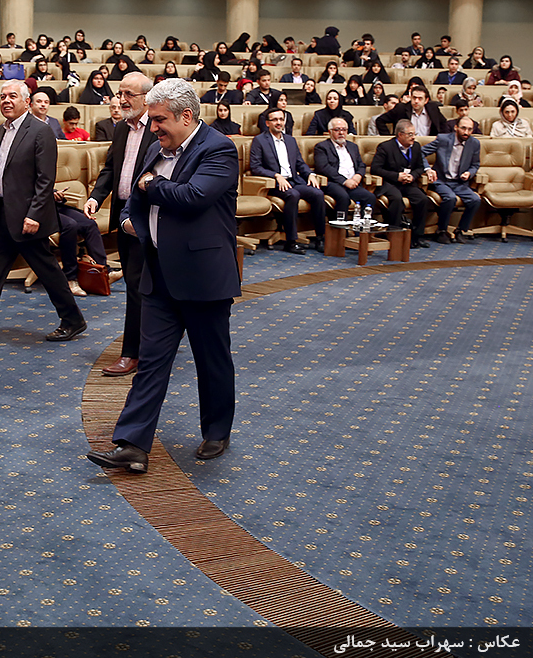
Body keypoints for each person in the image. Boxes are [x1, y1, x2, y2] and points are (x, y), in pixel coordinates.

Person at [85, 77, 240, 473]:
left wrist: (154, 184)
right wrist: (128, 223)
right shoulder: (156, 148)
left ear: (186, 116)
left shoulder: (218, 149)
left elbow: (193, 197)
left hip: (203, 278)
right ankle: (132, 445)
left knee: (212, 361)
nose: (152, 127)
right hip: (157, 274)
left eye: (159, 120)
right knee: (152, 362)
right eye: (152, 120)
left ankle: (217, 431)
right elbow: (131, 199)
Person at [0, 80, 86, 342]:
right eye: (2, 97)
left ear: (26, 101)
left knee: (48, 271)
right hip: (3, 213)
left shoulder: (40, 131)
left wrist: (34, 214)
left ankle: (73, 320)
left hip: (27, 217)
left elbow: (45, 179)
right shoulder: (2, 130)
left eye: (12, 96)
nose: (6, 101)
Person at [85, 73, 156, 376]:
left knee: (138, 286)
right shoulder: (121, 128)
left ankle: (132, 353)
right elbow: (111, 168)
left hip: (148, 217)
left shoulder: (158, 127)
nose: (122, 100)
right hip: (123, 216)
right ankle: (157, 340)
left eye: (129, 94)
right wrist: (96, 197)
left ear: (146, 98)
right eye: (120, 93)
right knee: (135, 283)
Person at [251, 107, 326, 253]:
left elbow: (300, 163)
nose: (279, 122)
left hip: (294, 180)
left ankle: (320, 238)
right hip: (275, 184)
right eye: (275, 120)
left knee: (318, 194)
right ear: (267, 123)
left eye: (281, 119)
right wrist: (276, 175)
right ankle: (291, 241)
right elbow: (256, 167)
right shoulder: (259, 140)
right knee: (293, 195)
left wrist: (310, 174)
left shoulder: (290, 140)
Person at [420, 117, 480, 244]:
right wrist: (428, 169)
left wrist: (469, 173)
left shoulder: (474, 143)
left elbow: (475, 165)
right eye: (463, 128)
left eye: (470, 129)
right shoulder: (443, 139)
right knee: (450, 198)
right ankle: (441, 231)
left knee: (475, 200)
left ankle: (460, 230)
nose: (466, 132)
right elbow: (420, 153)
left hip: (459, 182)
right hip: (441, 180)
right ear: (456, 128)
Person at [371, 120, 430, 248]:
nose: (413, 137)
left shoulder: (416, 146)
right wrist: (396, 176)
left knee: (422, 199)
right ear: (400, 135)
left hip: (408, 183)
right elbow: (375, 169)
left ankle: (417, 236)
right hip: (390, 183)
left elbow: (420, 167)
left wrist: (412, 176)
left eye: (414, 134)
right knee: (397, 199)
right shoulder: (385, 147)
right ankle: (394, 234)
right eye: (410, 134)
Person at [314, 117, 377, 220]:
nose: (341, 133)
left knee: (369, 197)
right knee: (343, 197)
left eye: (344, 130)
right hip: (333, 183)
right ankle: (340, 228)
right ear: (330, 132)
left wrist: (358, 176)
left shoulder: (353, 146)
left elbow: (361, 165)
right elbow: (323, 168)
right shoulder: (322, 147)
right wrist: (344, 181)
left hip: (353, 183)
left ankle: (361, 228)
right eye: (337, 130)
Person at [377, 84, 447, 136]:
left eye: (420, 98)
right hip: (406, 145)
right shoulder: (401, 109)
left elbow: (444, 124)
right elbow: (380, 120)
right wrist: (389, 137)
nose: (416, 101)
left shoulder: (433, 109)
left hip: (428, 144)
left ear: (426, 100)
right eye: (414, 98)